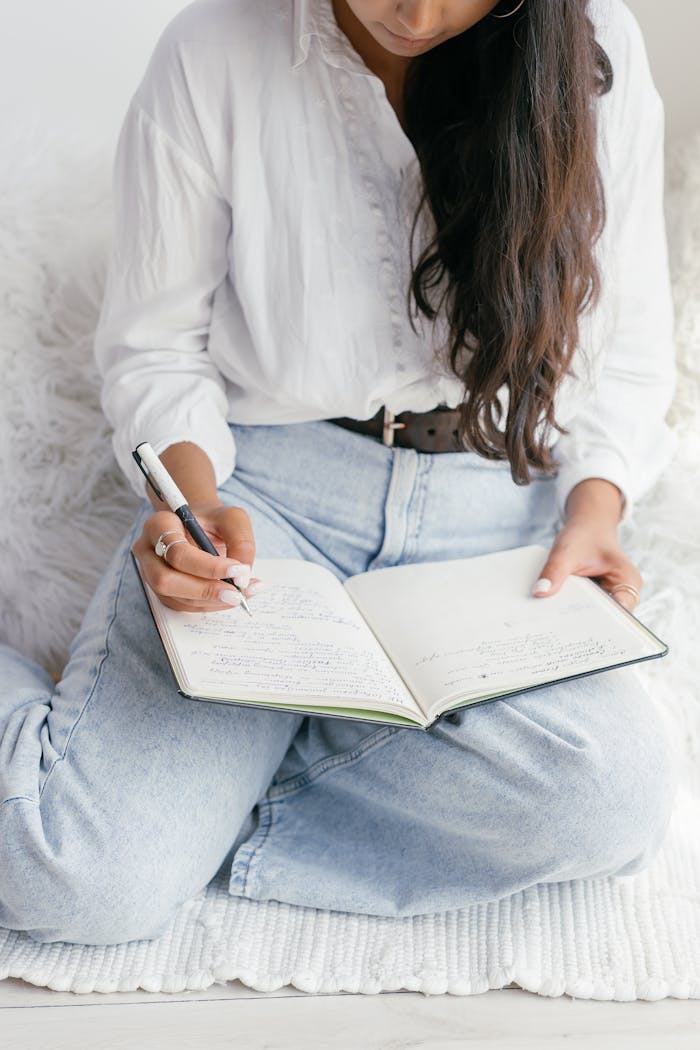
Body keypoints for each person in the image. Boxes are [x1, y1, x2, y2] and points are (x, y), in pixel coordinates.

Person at [0, 0, 679, 946]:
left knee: (612, 802)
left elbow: (632, 345)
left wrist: (596, 507)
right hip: (267, 499)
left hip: (494, 510)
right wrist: (193, 511)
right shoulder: (215, 48)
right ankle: (150, 784)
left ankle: (194, 780)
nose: (411, 10)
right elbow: (156, 350)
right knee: (78, 883)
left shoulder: (597, 46)